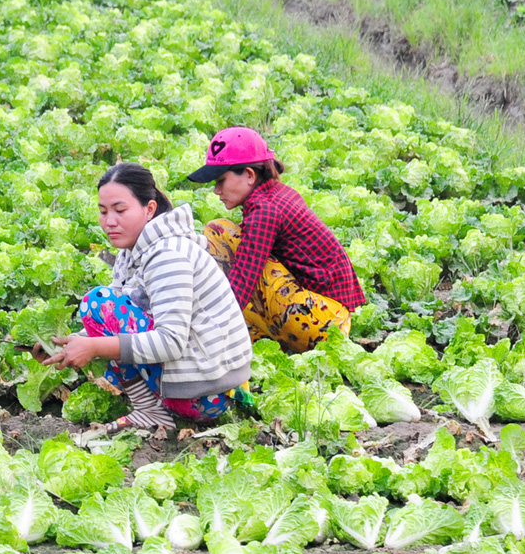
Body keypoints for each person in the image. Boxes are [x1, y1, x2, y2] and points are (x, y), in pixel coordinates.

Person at [44, 162, 253, 434]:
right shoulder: (135, 251)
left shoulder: (167, 255)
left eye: (120, 210)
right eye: (103, 211)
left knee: (97, 302)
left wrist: (93, 347)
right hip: (203, 382)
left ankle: (150, 410)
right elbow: (123, 316)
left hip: (206, 396)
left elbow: (170, 342)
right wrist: (70, 343)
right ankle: (152, 407)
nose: (109, 221)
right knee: (101, 313)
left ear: (149, 209)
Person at [185, 126, 364, 353]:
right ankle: (252, 336)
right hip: (328, 317)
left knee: (220, 233)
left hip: (323, 320)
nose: (216, 190)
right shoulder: (277, 193)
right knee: (229, 247)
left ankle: (220, 333)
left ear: (249, 175)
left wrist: (204, 330)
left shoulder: (265, 210)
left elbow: (242, 278)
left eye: (221, 180)